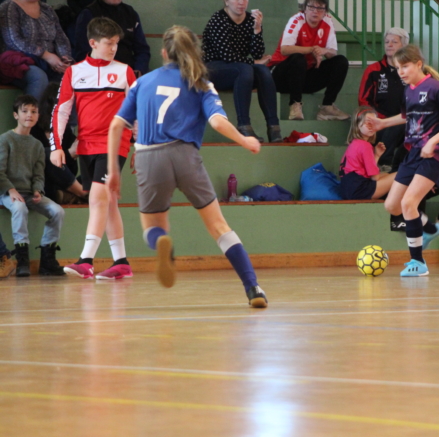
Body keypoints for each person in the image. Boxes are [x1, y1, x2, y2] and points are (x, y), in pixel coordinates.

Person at [106, 25, 268, 308]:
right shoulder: (199, 82)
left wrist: (114, 172)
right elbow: (217, 122)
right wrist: (245, 140)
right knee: (219, 227)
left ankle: (162, 242)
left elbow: (116, 125)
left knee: (152, 228)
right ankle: (253, 287)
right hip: (185, 155)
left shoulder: (142, 83)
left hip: (148, 157)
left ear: (163, 52)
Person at [369, 44, 439, 277]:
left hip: (436, 154)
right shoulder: (409, 91)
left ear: (418, 64)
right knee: (392, 205)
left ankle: (418, 263)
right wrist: (383, 123)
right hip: (414, 153)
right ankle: (430, 229)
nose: (401, 72)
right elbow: (407, 116)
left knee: (408, 203)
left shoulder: (436, 88)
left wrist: (433, 141)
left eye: (405, 66)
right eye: (397, 68)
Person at [51, 17, 135, 280]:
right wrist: (57, 146)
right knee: (108, 203)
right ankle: (121, 262)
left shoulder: (125, 71)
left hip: (114, 144)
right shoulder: (74, 72)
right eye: (109, 43)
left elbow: (139, 111)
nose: (114, 48)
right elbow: (61, 110)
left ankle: (86, 260)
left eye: (116, 43)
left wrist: (142, 146)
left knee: (98, 198)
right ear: (93, 43)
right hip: (86, 145)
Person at [0, 95, 65, 277]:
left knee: (58, 211)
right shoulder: (5, 140)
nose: (29, 115)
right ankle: (22, 259)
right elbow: (0, 172)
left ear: (38, 116)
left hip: (29, 193)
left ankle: (47, 260)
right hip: (7, 192)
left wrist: (37, 190)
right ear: (16, 115)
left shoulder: (37, 145)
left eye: (34, 111)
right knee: (20, 208)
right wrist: (11, 190)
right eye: (25, 111)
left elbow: (38, 174)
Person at [202, 0, 282, 143]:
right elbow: (227, 55)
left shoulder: (250, 19)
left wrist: (257, 29)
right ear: (226, 1)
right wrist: (254, 62)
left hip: (241, 69)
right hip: (214, 68)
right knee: (245, 69)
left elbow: (257, 53)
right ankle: (243, 125)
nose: (241, 3)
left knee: (263, 71)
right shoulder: (218, 19)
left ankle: (274, 127)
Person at [269, 0, 350, 121]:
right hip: (281, 77)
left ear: (325, 11)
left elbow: (332, 53)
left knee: (341, 61)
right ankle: (295, 104)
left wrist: (323, 50)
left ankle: (327, 107)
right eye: (311, 7)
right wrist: (312, 49)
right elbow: (285, 49)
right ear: (305, 9)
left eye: (320, 8)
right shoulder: (296, 20)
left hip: (303, 78)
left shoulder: (327, 21)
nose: (315, 11)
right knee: (298, 58)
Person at [358, 27, 409, 169]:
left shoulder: (409, 71)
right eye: (387, 42)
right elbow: (363, 101)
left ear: (404, 46)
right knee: (393, 125)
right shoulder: (373, 70)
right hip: (378, 123)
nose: (389, 45)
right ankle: (384, 164)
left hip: (406, 123)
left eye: (394, 42)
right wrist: (376, 120)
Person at [0, 0, 72, 99]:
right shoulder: (9, 6)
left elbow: (61, 39)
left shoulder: (47, 9)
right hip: (17, 60)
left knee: (71, 78)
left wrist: (64, 59)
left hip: (50, 62)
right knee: (38, 76)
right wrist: (46, 55)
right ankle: (31, 109)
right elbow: (13, 40)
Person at [32, 82, 87, 204]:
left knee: (98, 165)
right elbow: (38, 167)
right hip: (41, 183)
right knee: (48, 153)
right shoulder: (33, 129)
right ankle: (82, 194)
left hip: (64, 186)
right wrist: (69, 154)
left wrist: (74, 156)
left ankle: (69, 196)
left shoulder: (66, 131)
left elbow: (70, 174)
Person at [73, 0, 150, 77]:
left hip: (128, 69)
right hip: (99, 72)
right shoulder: (88, 13)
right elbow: (82, 52)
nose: (114, 48)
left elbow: (142, 49)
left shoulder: (130, 12)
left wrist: (139, 70)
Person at [339, 107, 396, 200]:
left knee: (386, 174)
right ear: (357, 125)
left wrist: (376, 155)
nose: (371, 125)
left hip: (348, 190)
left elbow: (369, 173)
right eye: (367, 122)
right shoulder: (365, 146)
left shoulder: (355, 143)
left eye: (374, 122)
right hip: (359, 191)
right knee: (401, 176)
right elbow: (375, 177)